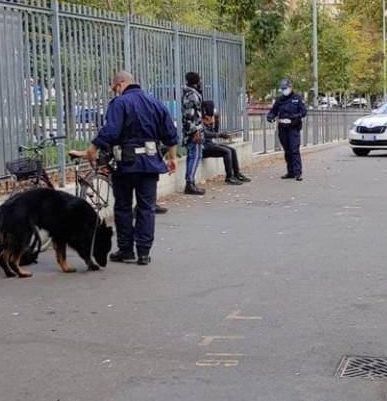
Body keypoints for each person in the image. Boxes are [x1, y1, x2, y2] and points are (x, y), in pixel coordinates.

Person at [69, 71, 178, 266]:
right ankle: (144, 253)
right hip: (150, 164)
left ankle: (126, 250)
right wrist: (172, 158)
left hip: (125, 165)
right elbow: (170, 133)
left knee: (123, 207)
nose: (115, 92)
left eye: (114, 88)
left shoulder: (119, 104)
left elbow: (110, 131)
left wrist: (93, 147)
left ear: (120, 84)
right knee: (146, 208)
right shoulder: (155, 103)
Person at [201, 101, 251, 185]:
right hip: (203, 147)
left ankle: (237, 174)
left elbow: (214, 132)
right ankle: (229, 177)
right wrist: (219, 135)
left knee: (232, 150)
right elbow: (205, 134)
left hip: (210, 144)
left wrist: (216, 122)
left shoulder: (209, 120)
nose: (210, 118)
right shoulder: (200, 121)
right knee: (226, 152)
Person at [267, 79, 307, 181]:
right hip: (282, 128)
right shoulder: (280, 100)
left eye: (285, 88)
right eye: (282, 89)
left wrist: (295, 116)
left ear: (290, 87)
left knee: (294, 150)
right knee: (287, 151)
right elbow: (273, 111)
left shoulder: (297, 98)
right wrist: (270, 116)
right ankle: (291, 172)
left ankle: (298, 173)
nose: (284, 90)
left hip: (293, 127)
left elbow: (303, 112)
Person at [182, 71, 205, 195]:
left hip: (193, 129)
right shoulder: (192, 95)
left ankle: (190, 182)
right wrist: (195, 131)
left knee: (194, 155)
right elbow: (190, 114)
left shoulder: (190, 93)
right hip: (193, 131)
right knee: (195, 155)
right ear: (196, 81)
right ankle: (189, 183)